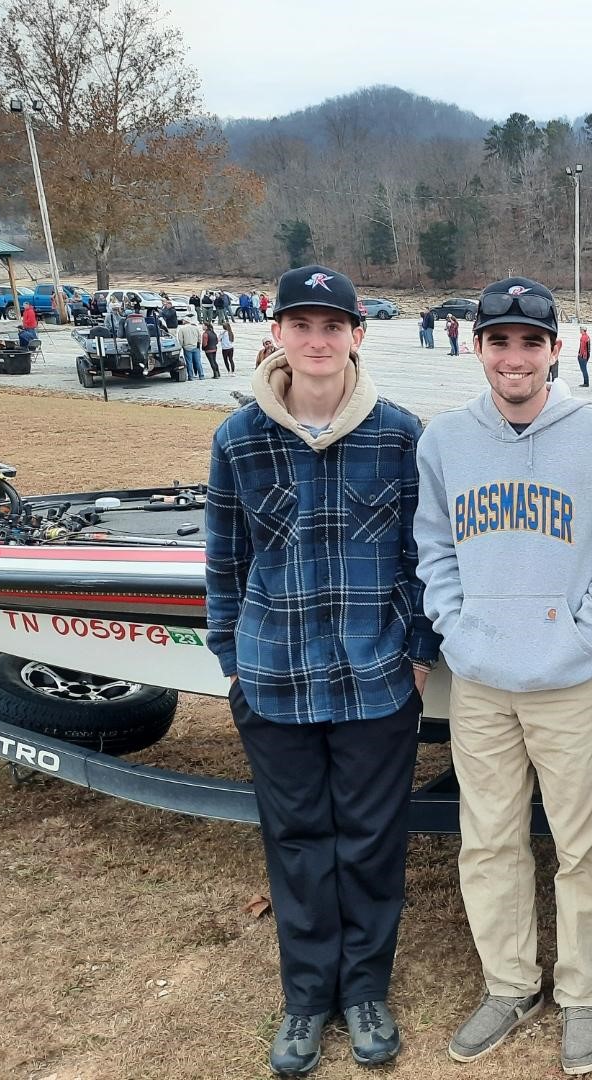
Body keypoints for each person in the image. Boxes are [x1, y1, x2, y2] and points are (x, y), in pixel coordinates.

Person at [205, 263, 437, 1076]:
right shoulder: (237, 440)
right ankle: (307, 997)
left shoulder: (401, 434)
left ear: (356, 338)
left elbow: (422, 558)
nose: (316, 340)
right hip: (273, 680)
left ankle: (365, 990)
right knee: (298, 841)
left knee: (372, 841)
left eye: (331, 326)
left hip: (377, 680)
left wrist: (417, 654)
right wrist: (232, 657)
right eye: (300, 325)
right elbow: (224, 563)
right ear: (275, 334)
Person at [414, 277, 592, 1077]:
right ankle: (511, 984)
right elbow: (435, 548)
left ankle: (582, 993)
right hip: (481, 682)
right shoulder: (444, 439)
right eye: (499, 340)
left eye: (530, 341)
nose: (515, 357)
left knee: (582, 848)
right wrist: (459, 625)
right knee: (490, 841)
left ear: (555, 349)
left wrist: (585, 631)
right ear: (476, 346)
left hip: (573, 682)